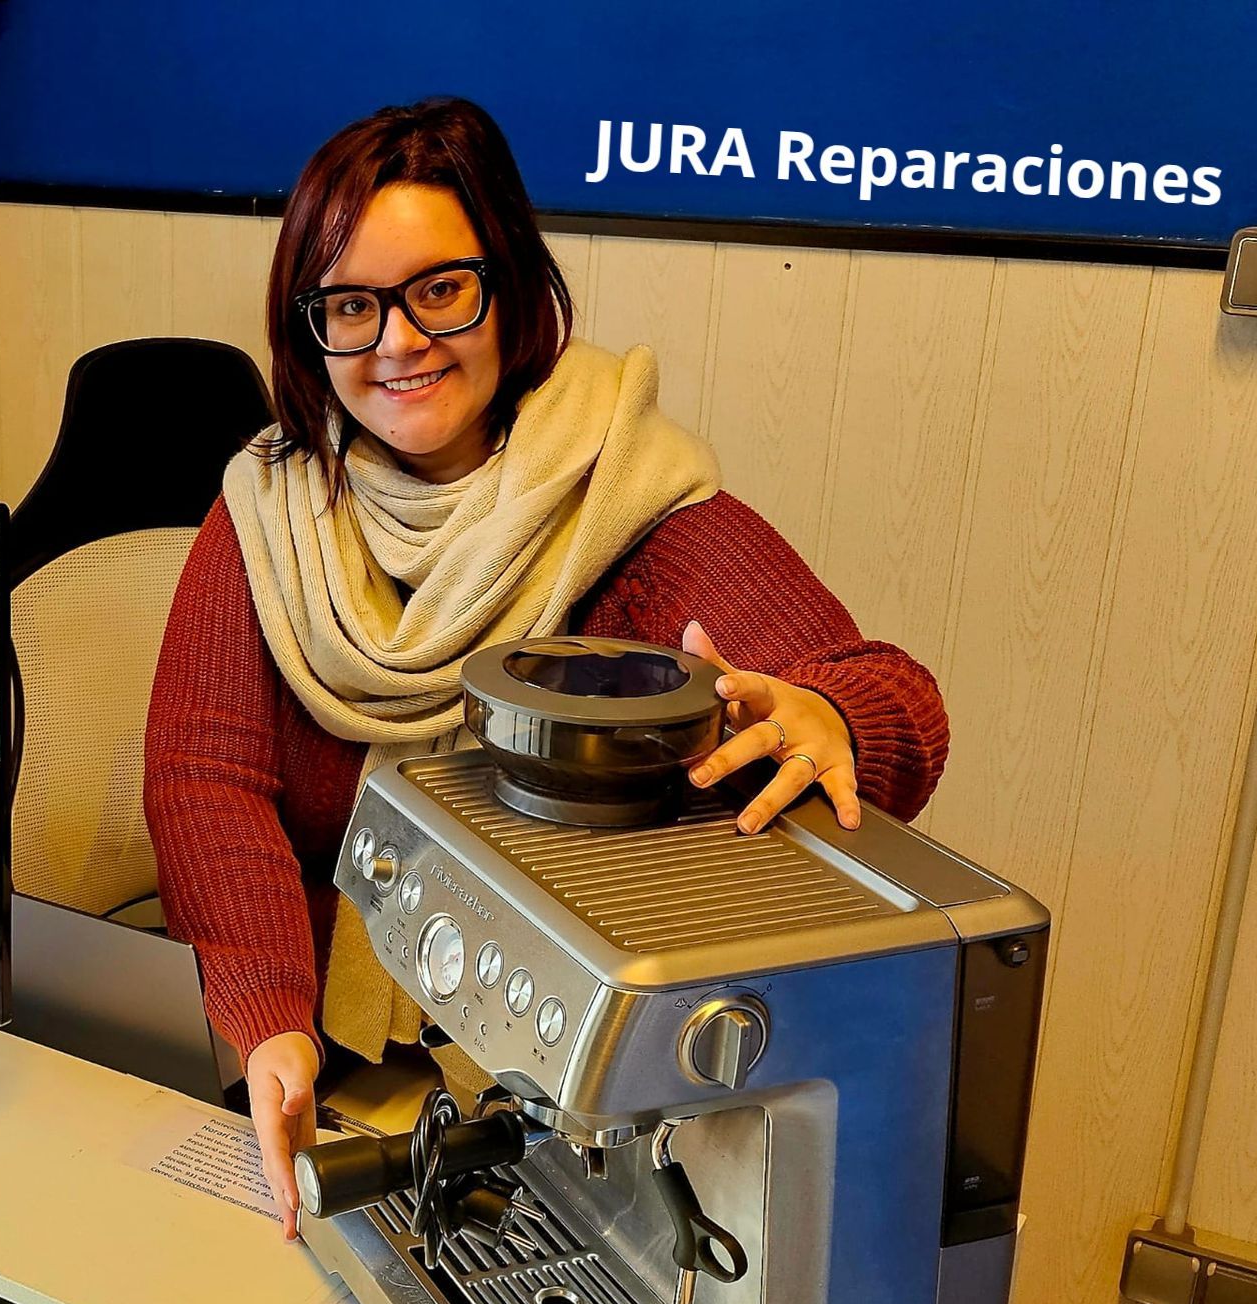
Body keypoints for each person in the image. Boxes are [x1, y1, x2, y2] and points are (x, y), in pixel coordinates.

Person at [144, 98, 948, 1240]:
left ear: (511, 286)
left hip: (579, 1112)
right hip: (335, 1075)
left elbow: (891, 694)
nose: (397, 343)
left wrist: (827, 712)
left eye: (439, 290)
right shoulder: (271, 510)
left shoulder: (623, 501)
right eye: (351, 305)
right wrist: (271, 1021)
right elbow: (205, 778)